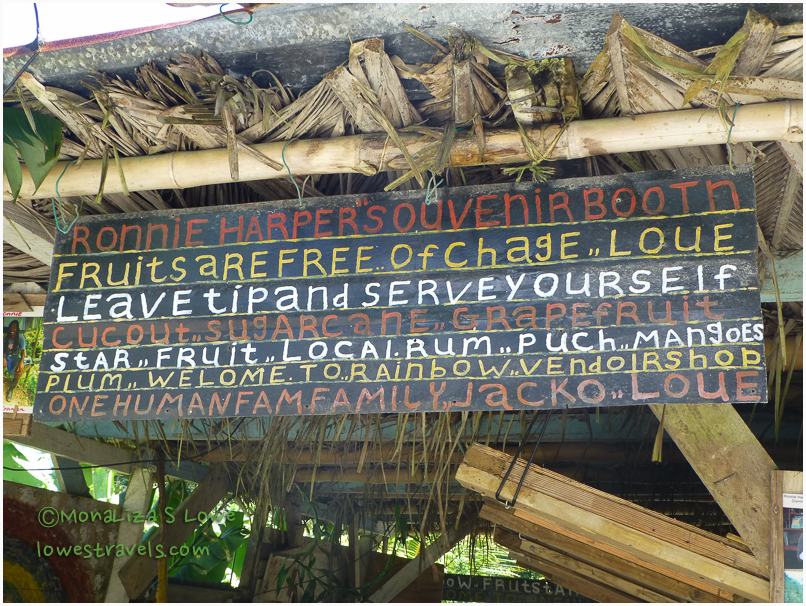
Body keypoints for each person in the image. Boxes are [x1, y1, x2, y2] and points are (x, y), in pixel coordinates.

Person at [3, 320, 26, 401]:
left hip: (15, 358)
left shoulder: (20, 337)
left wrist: (21, 362)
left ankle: (10, 390)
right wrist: (4, 358)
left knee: (19, 371)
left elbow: (23, 351)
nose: (13, 329)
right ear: (9, 328)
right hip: (6, 357)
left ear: (17, 329)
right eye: (11, 327)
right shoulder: (5, 337)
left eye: (15, 327)